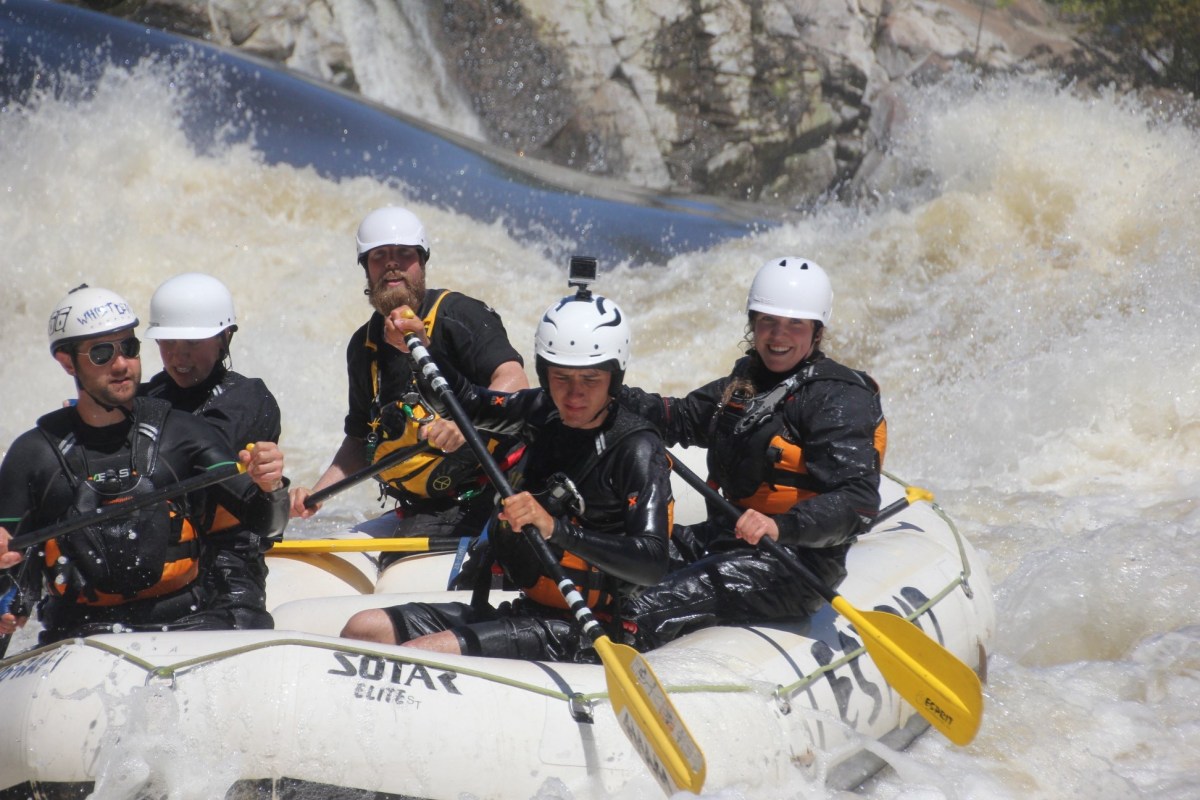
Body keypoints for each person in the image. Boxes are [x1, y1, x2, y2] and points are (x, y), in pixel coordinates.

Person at [339, 285, 673, 663]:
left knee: (419, 655)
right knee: (364, 628)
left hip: (588, 627)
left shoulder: (637, 448)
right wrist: (421, 349)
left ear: (614, 377)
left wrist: (555, 529)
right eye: (561, 378)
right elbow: (467, 401)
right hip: (526, 608)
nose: (574, 395)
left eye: (590, 380)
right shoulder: (542, 411)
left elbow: (651, 562)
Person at [618, 256, 887, 651]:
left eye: (795, 324)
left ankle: (604, 655)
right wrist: (605, 389)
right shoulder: (746, 381)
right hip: (725, 539)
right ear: (753, 323)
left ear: (817, 331)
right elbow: (679, 418)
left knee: (643, 607)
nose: (778, 336)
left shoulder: (838, 398)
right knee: (616, 562)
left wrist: (780, 526)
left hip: (793, 564)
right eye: (767, 321)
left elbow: (858, 502)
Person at [0, 285, 289, 645]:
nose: (121, 364)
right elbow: (12, 578)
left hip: (188, 628)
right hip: (78, 640)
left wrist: (270, 487)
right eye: (102, 353)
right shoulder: (33, 455)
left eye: (129, 348)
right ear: (67, 362)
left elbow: (268, 523)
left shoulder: (185, 434)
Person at [289, 206, 528, 564]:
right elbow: (360, 440)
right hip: (421, 506)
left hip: (490, 497)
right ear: (366, 269)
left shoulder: (459, 315)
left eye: (404, 253)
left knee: (397, 563)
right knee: (319, 560)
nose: (392, 264)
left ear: (422, 262)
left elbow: (515, 380)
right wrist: (315, 495)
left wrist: (467, 423)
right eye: (379, 256)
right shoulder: (364, 346)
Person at [142, 272, 282, 629]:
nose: (179, 354)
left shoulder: (249, 399)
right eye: (168, 341)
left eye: (193, 341)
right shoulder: (147, 397)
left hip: (226, 570)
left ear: (225, 337)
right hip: (154, 567)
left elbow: (193, 449)